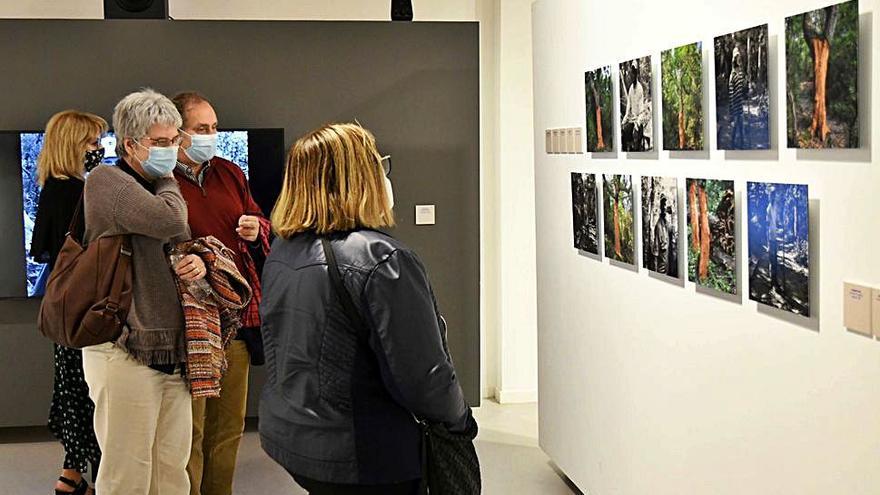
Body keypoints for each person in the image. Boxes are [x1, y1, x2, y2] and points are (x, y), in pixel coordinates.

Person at [259, 123, 474, 495]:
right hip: (364, 453)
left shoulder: (283, 250)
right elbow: (424, 375)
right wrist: (459, 420)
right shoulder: (381, 259)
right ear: (359, 177)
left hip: (296, 440)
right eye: (378, 163)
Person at [80, 88, 206, 494]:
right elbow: (171, 221)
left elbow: (181, 240)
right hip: (123, 348)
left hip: (171, 347)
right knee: (127, 473)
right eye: (161, 142)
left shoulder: (154, 185)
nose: (171, 150)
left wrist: (198, 263)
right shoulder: (107, 181)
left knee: (171, 469)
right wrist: (170, 176)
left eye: (174, 141)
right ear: (130, 143)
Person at [171, 91, 269, 495]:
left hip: (236, 322)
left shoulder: (230, 173)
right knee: (189, 432)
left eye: (214, 128)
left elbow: (262, 221)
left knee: (228, 429)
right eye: (201, 129)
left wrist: (255, 227)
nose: (211, 135)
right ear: (177, 134)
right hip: (189, 326)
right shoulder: (160, 183)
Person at [31, 110, 107, 495]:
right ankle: (82, 474)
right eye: (93, 142)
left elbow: (43, 251)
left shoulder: (50, 189)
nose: (99, 150)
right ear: (73, 145)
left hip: (62, 313)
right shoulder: (81, 192)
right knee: (90, 393)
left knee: (71, 390)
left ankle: (72, 474)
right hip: (88, 311)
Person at [728, 48, 747, 149]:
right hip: (735, 105)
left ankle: (742, 145)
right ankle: (732, 144)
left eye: (739, 57)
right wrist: (731, 109)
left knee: (741, 126)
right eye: (736, 57)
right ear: (733, 59)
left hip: (740, 104)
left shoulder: (740, 73)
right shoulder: (732, 75)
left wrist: (746, 84)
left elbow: (743, 88)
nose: (738, 59)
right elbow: (731, 93)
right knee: (736, 126)